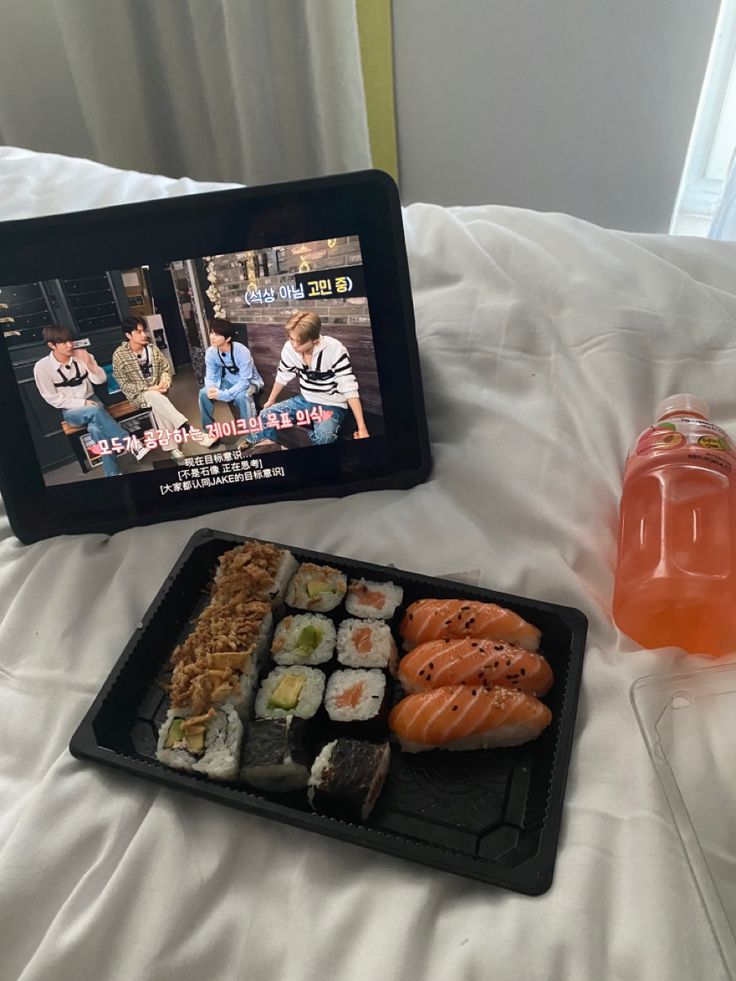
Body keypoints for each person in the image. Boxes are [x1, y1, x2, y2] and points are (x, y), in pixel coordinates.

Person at [242, 311, 369, 452]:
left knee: (324, 436)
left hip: (332, 404)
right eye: (291, 338)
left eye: (300, 342)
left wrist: (362, 428)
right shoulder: (289, 348)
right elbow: (283, 375)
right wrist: (271, 401)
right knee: (267, 413)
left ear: (314, 339)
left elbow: (349, 387)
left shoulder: (335, 349)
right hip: (306, 400)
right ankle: (263, 448)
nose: (294, 345)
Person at [33, 324, 149, 477]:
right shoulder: (42, 367)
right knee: (95, 410)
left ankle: (113, 474)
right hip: (72, 411)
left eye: (70, 340)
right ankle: (130, 443)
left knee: (97, 430)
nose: (70, 345)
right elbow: (52, 398)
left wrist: (89, 362)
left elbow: (100, 380)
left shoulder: (82, 356)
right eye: (63, 342)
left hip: (93, 401)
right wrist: (83, 403)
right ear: (51, 345)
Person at [111, 316, 204, 459]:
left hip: (159, 392)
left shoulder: (152, 349)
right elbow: (124, 384)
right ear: (128, 335)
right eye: (139, 332)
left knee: (158, 404)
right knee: (156, 398)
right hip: (139, 395)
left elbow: (165, 369)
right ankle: (186, 427)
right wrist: (149, 389)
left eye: (144, 331)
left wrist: (165, 381)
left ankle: (172, 447)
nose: (144, 335)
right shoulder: (119, 355)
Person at [199, 318, 263, 437]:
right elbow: (210, 375)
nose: (212, 337)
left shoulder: (242, 351)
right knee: (203, 393)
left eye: (217, 335)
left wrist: (226, 394)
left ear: (228, 338)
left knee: (242, 397)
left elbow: (245, 381)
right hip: (230, 381)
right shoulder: (211, 352)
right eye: (212, 332)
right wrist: (211, 388)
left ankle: (252, 435)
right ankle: (209, 431)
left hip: (251, 382)